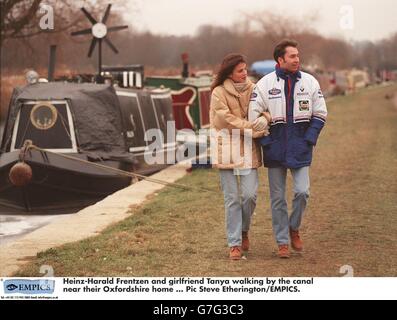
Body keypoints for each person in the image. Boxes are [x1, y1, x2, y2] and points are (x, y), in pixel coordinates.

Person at [248, 40, 328, 258]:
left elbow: (321, 113)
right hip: (275, 149)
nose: (297, 59)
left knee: (303, 192)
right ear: (280, 60)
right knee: (277, 199)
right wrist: (266, 142)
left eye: (298, 55)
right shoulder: (264, 85)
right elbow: (253, 116)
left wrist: (308, 140)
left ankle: (294, 227)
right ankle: (282, 241)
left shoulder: (310, 82)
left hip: (301, 148)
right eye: (292, 56)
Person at [210, 53, 271, 260]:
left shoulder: (255, 89)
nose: (245, 73)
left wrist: (265, 118)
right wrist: (252, 128)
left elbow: (268, 109)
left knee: (250, 195)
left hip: (248, 148)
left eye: (245, 69)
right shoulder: (218, 92)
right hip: (226, 147)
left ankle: (244, 229)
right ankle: (234, 243)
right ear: (230, 73)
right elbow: (224, 119)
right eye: (240, 70)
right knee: (231, 199)